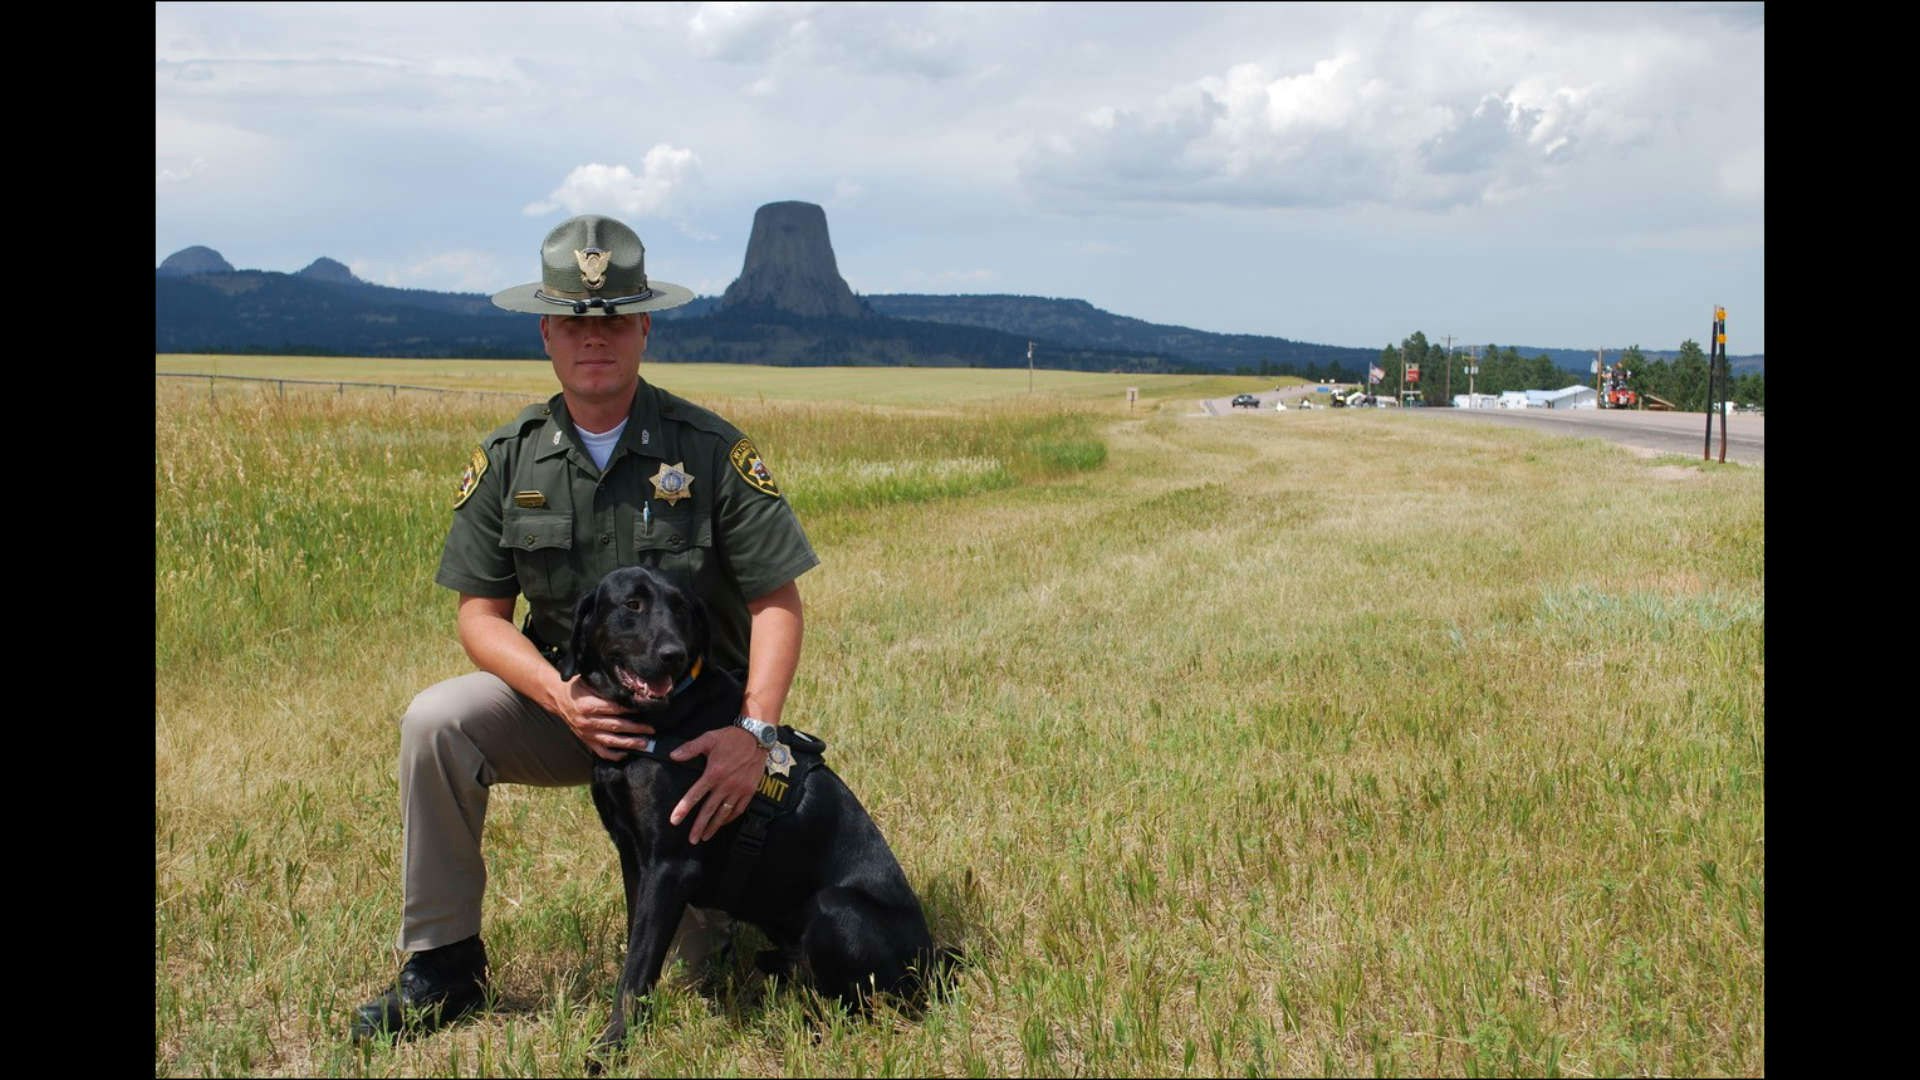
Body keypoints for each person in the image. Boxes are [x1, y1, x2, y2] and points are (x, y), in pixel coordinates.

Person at [351, 214, 820, 1042]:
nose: (592, 337)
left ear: (644, 328)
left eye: (612, 319)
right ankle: (443, 965)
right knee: (436, 721)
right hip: (569, 706)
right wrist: (558, 695)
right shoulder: (511, 458)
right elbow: (480, 617)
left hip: (691, 731)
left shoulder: (708, 450)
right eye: (572, 321)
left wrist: (755, 734)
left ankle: (735, 920)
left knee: (707, 973)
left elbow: (776, 601)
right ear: (546, 334)